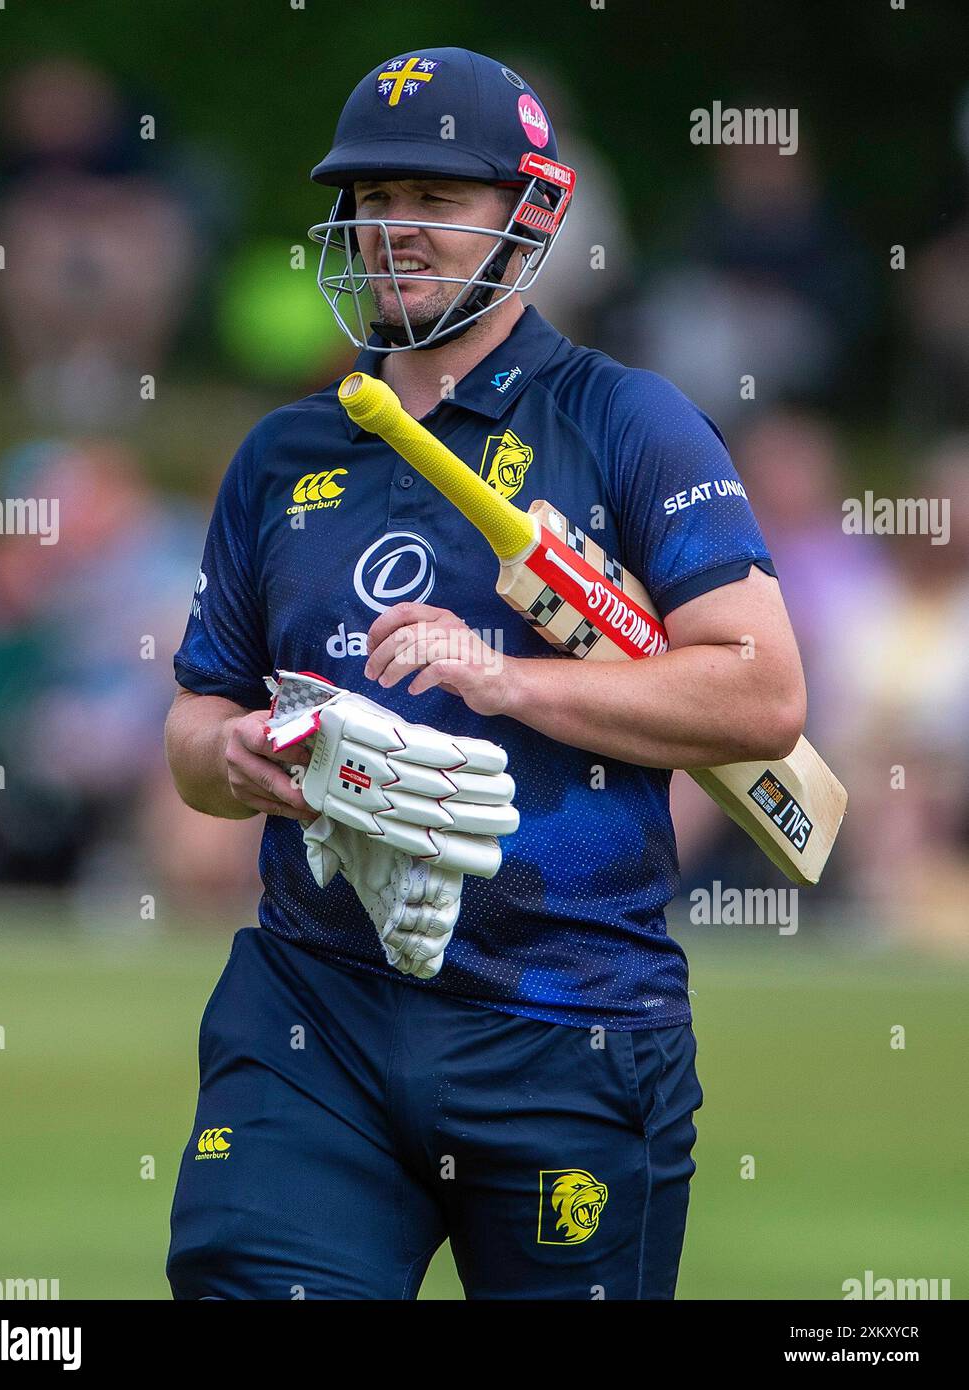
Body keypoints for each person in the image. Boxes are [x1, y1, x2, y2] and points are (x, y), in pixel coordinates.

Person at [164, 47, 806, 1300]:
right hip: (315, 1012)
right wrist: (233, 758)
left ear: (532, 217)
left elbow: (761, 695)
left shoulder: (627, 421)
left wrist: (513, 685)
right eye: (372, 198)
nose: (391, 231)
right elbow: (196, 723)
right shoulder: (285, 453)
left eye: (432, 199)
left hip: (568, 1019)